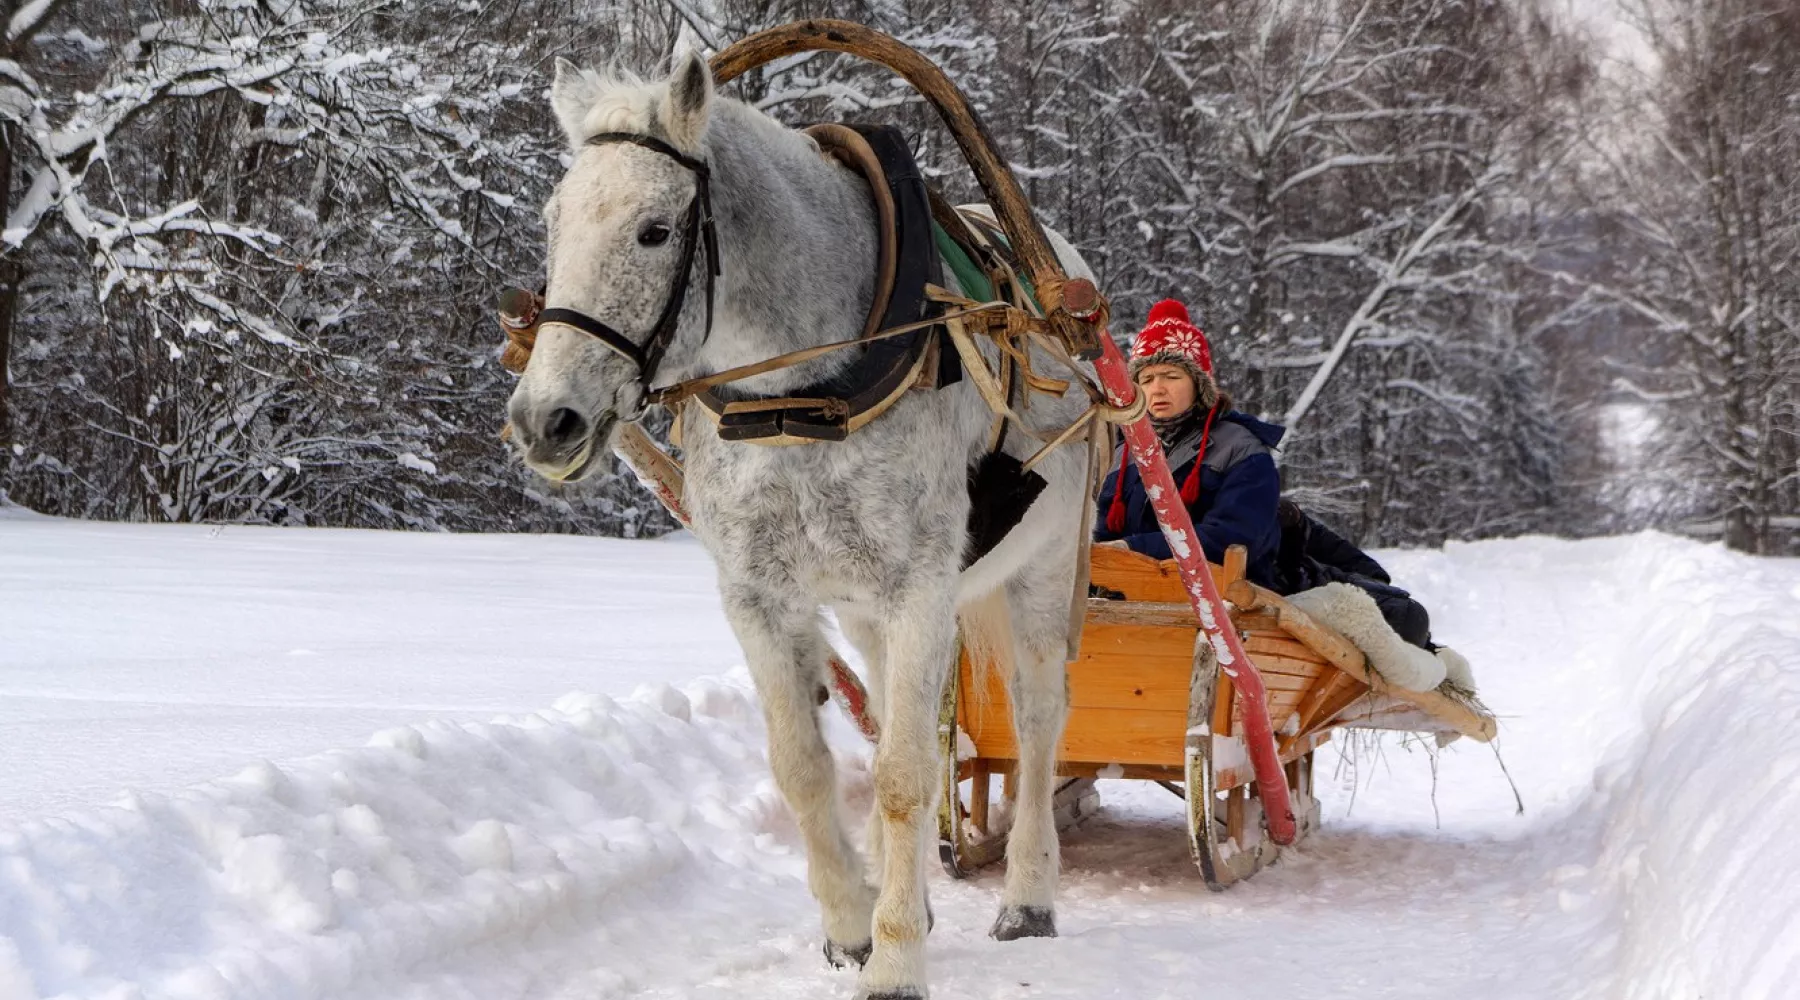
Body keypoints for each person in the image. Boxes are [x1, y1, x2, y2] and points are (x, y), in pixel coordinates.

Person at [1094, 299, 1285, 589]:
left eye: (1172, 376)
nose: (1157, 388)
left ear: (1199, 384)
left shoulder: (1242, 449)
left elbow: (1233, 539)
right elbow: (1099, 534)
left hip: (1224, 599)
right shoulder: (1121, 455)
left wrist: (1132, 550)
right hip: (1129, 597)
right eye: (1146, 379)